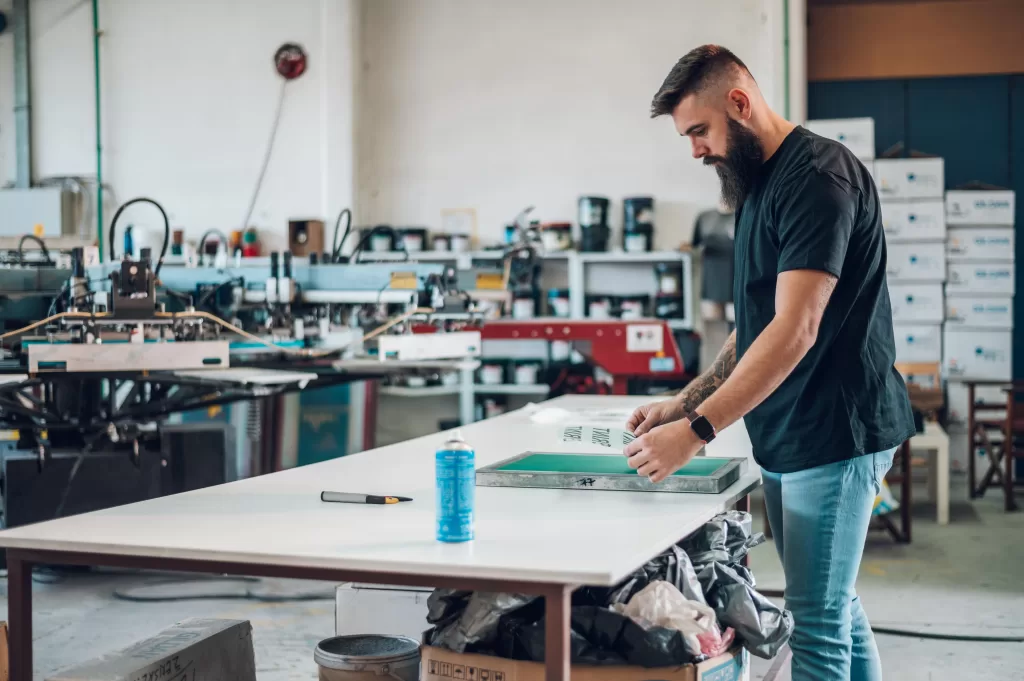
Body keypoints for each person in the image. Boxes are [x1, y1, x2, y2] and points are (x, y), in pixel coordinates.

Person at [624, 45, 914, 681]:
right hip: (791, 432)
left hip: (835, 432)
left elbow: (794, 329)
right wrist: (687, 401)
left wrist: (696, 434)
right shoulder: (758, 183)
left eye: (699, 130)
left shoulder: (816, 178)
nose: (695, 149)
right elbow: (753, 322)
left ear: (740, 102)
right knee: (834, 605)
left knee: (814, 624)